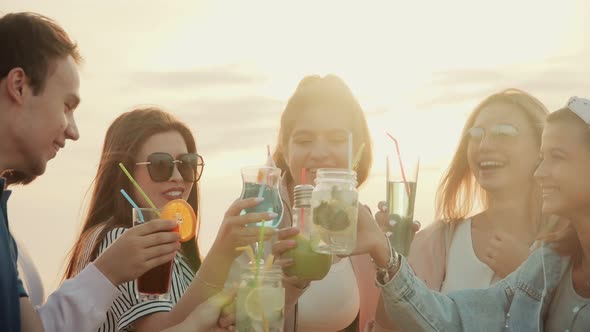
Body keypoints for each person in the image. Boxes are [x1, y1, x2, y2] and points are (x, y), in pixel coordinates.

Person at [0, 12, 186, 332]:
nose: (73, 131)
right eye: (67, 106)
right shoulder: (118, 236)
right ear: (19, 85)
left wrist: (108, 270)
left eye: (186, 164)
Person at [357, 96, 590, 331]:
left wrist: (530, 284)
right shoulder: (548, 263)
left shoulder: (548, 262)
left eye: (504, 132)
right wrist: (387, 253)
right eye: (476, 135)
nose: (484, 145)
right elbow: (448, 318)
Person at [64, 107, 276, 331]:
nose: (177, 178)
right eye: (160, 166)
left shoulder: (176, 248)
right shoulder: (122, 240)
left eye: (186, 165)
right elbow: (160, 328)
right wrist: (220, 256)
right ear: (125, 175)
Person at [268, 74, 380, 331]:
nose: (319, 153)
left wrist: (392, 258)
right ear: (285, 149)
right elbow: (233, 317)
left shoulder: (360, 222)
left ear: (357, 149)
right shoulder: (259, 218)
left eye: (337, 139)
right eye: (305, 141)